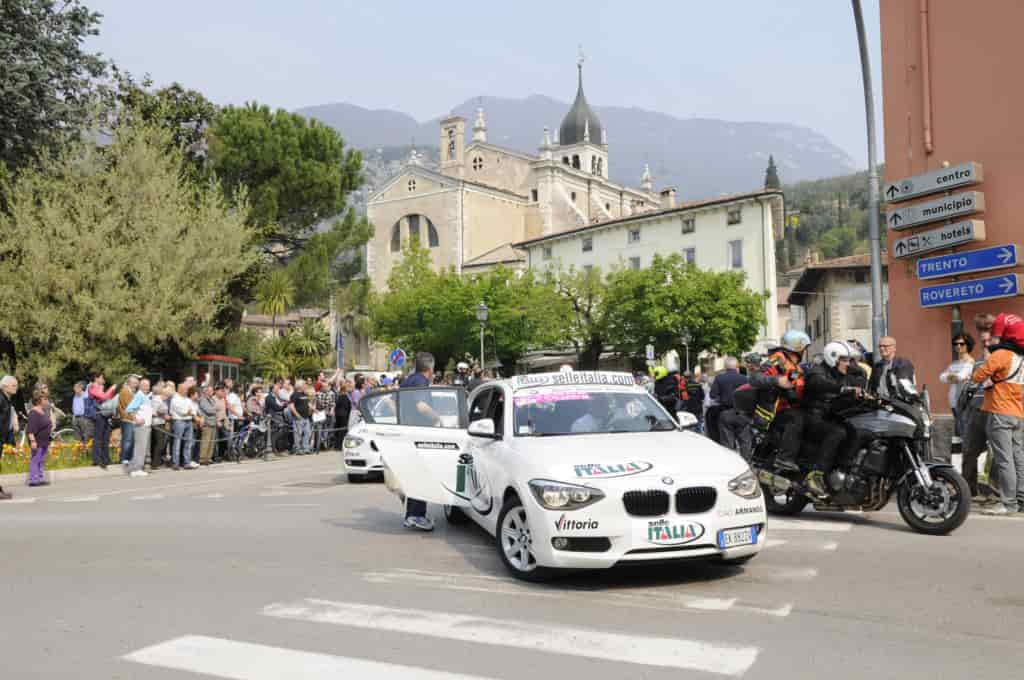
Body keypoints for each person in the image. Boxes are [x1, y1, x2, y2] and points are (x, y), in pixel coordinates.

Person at [973, 313, 1024, 515]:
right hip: (1019, 414)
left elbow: (977, 376)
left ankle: (1008, 503)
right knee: (1019, 457)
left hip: (1000, 412)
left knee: (1004, 460)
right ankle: (1021, 499)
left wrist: (988, 357)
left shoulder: (1001, 354)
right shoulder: (1020, 358)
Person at [802, 341, 861, 498]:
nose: (848, 364)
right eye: (844, 360)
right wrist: (842, 389)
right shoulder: (817, 372)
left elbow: (853, 387)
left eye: (849, 360)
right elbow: (820, 383)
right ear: (832, 357)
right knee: (837, 433)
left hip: (830, 416)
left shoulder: (841, 374)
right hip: (813, 417)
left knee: (857, 431)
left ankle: (844, 470)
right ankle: (816, 474)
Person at [749, 329, 811, 471]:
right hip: (773, 413)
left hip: (789, 409)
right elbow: (754, 378)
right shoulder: (778, 358)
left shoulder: (798, 368)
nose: (805, 352)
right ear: (798, 347)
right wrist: (777, 380)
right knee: (797, 418)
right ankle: (784, 458)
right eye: (804, 348)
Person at [399, 352, 437, 531]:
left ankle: (411, 515)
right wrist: (438, 418)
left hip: (407, 433)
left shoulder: (407, 381)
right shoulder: (421, 382)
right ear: (430, 369)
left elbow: (392, 403)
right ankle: (416, 515)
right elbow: (422, 406)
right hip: (419, 434)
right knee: (422, 475)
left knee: (414, 474)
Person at [962, 315, 995, 499]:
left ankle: (996, 492)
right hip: (976, 409)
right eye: (983, 339)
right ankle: (967, 490)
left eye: (989, 338)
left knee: (998, 453)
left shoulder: (1007, 356)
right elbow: (974, 385)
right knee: (969, 450)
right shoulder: (979, 360)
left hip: (996, 409)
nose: (985, 341)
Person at [939, 333, 976, 439]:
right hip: (954, 402)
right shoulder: (954, 363)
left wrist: (951, 376)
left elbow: (961, 376)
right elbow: (941, 377)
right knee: (959, 433)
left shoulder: (970, 362)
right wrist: (953, 377)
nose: (958, 346)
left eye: (961, 344)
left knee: (965, 434)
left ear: (968, 345)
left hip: (965, 402)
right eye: (955, 344)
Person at [708, 358, 747, 443]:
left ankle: (730, 455)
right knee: (744, 440)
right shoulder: (745, 379)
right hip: (742, 412)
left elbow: (712, 395)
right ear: (737, 367)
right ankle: (745, 456)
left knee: (727, 440)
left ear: (725, 367)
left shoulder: (719, 378)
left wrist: (721, 397)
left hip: (725, 410)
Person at [87, 373, 118, 469]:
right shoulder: (92, 387)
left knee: (106, 437)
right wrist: (111, 389)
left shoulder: (100, 387)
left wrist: (111, 391)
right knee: (98, 437)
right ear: (96, 378)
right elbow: (103, 397)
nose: (103, 379)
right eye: (102, 378)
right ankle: (96, 460)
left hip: (105, 414)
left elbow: (107, 398)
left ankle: (106, 459)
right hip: (98, 415)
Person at [26, 389, 53, 487]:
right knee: (35, 459)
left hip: (44, 441)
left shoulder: (42, 410)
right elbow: (30, 429)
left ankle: (40, 478)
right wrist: (33, 441)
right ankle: (33, 479)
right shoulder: (33, 412)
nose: (46, 401)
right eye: (45, 399)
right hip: (37, 441)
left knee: (41, 460)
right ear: (39, 400)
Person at [170, 382, 198, 470]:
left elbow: (193, 410)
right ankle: (175, 463)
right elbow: (181, 411)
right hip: (179, 421)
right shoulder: (175, 399)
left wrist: (190, 412)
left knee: (188, 442)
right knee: (177, 442)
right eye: (185, 389)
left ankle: (186, 462)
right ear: (180, 389)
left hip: (188, 421)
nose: (187, 391)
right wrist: (188, 411)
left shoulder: (187, 399)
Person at [127, 383, 153, 478]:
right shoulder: (139, 396)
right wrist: (136, 419)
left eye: (148, 385)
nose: (147, 387)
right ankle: (136, 469)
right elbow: (129, 409)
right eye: (145, 385)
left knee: (143, 448)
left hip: (146, 426)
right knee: (140, 448)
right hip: (141, 426)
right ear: (140, 386)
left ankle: (135, 467)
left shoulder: (145, 396)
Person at [117, 375, 142, 467]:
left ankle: (127, 458)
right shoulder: (125, 392)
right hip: (127, 419)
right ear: (130, 383)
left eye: (137, 383)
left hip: (130, 418)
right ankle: (124, 458)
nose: (136, 384)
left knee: (129, 440)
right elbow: (130, 406)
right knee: (127, 440)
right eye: (135, 383)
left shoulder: (131, 391)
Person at [0, 375, 18, 499]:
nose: (16, 388)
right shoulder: (1, 398)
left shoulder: (5, 398)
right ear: (5, 386)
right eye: (13, 385)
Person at [150, 382, 172, 470]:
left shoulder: (163, 400)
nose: (168, 398)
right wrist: (163, 415)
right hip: (156, 423)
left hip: (162, 422)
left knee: (160, 443)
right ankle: (155, 463)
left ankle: (156, 462)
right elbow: (153, 412)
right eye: (168, 396)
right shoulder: (156, 400)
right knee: (159, 443)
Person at [197, 384, 219, 465]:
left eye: (212, 391)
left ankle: (208, 458)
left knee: (211, 442)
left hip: (213, 423)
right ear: (205, 392)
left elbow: (215, 409)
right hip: (207, 423)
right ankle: (202, 458)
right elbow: (208, 410)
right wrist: (215, 409)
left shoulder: (212, 399)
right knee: (206, 441)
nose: (212, 392)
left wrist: (215, 409)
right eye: (210, 391)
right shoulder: (202, 400)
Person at [290, 380, 313, 454]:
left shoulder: (304, 394)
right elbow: (291, 406)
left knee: (308, 433)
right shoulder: (294, 394)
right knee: (298, 434)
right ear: (300, 386)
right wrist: (297, 415)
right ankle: (298, 449)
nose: (305, 386)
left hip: (306, 417)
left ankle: (306, 448)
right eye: (304, 385)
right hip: (298, 418)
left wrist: (313, 409)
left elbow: (308, 404)